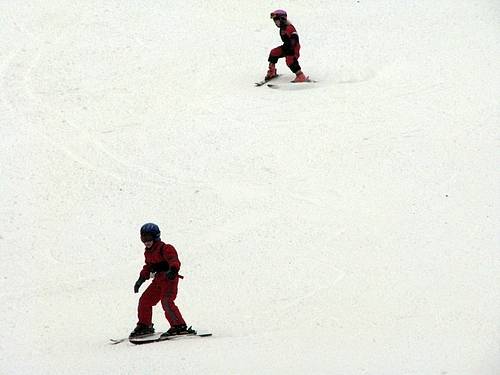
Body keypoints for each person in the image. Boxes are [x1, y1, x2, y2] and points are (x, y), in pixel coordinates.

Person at [129, 223, 194, 338]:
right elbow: (148, 266)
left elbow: (174, 260)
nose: (146, 242)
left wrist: (173, 270)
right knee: (145, 301)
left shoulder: (166, 248)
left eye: (148, 238)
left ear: (156, 237)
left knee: (166, 301)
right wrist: (141, 279)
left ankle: (179, 326)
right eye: (143, 239)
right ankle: (145, 325)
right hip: (158, 281)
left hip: (169, 280)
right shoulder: (148, 252)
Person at [265, 9, 309, 82]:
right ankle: (272, 71)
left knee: (290, 60)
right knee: (274, 52)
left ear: (282, 19)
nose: (275, 22)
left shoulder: (289, 27)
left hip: (293, 48)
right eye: (274, 21)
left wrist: (290, 47)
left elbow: (295, 38)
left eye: (277, 20)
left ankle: (300, 76)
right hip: (286, 46)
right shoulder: (282, 28)